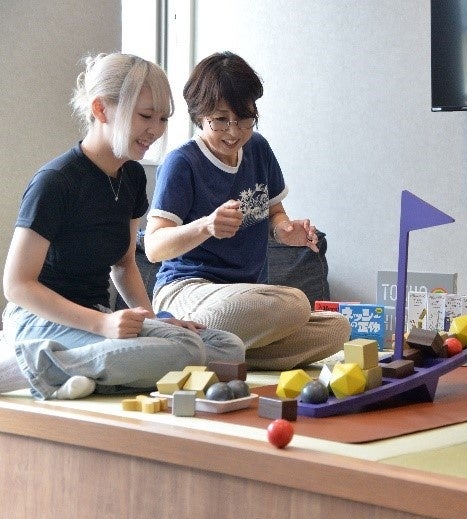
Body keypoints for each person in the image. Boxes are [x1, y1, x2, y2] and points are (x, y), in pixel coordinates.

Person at [0, 53, 245, 400]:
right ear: (101, 110)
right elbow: (16, 285)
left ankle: (70, 372)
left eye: (162, 118)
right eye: (145, 116)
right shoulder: (55, 182)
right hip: (39, 320)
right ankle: (23, 365)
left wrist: (153, 320)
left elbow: (125, 264)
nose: (156, 130)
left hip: (98, 318)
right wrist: (101, 324)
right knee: (184, 352)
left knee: (226, 346)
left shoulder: (130, 176)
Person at [143, 51, 349, 371]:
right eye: (221, 120)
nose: (234, 132)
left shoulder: (258, 149)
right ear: (199, 116)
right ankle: (178, 337)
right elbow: (154, 247)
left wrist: (283, 229)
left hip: (246, 297)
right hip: (186, 292)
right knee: (293, 303)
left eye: (244, 119)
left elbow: (274, 211)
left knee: (337, 328)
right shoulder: (182, 163)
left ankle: (210, 351)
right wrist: (206, 227)